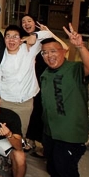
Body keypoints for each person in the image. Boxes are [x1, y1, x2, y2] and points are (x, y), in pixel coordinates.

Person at [34, 26, 89, 177]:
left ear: (64, 51)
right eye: (45, 53)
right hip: (51, 130)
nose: (49, 56)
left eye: (53, 51)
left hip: (70, 133)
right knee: (51, 162)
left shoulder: (74, 69)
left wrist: (81, 47)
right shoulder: (46, 73)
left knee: (66, 167)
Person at [20, 15, 68, 155]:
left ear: (36, 23)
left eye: (29, 21)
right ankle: (31, 141)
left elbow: (65, 48)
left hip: (46, 80)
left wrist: (49, 32)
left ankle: (44, 144)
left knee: (43, 111)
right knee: (35, 111)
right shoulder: (23, 39)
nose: (26, 23)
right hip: (31, 80)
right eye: (23, 22)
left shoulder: (44, 40)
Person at [0, 25, 43, 142]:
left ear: (21, 39)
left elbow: (47, 35)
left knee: (20, 134)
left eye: (15, 37)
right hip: (5, 101)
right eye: (8, 36)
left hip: (25, 102)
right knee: (3, 134)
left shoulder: (28, 49)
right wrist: (0, 97)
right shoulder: (0, 55)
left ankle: (19, 150)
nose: (11, 40)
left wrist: (35, 35)